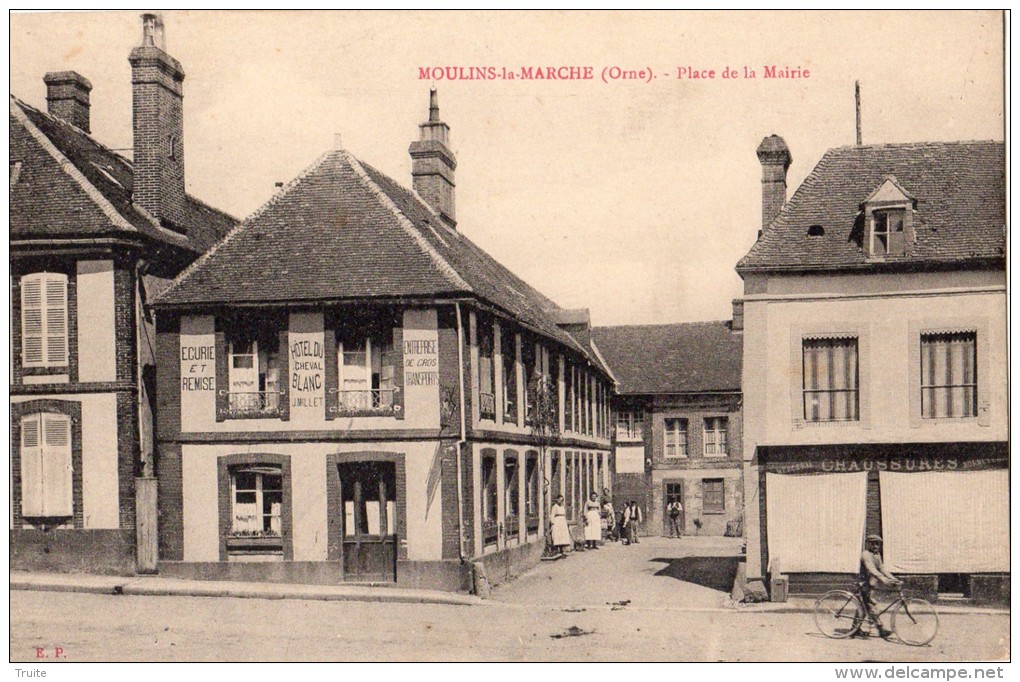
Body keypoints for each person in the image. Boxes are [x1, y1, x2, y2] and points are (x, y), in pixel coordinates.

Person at [856, 534, 902, 638]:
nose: (876, 546)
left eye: (877, 544)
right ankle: (881, 629)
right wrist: (883, 579)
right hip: (863, 584)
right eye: (873, 543)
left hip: (870, 584)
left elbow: (882, 568)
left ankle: (855, 628)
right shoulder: (865, 554)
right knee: (870, 605)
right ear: (869, 544)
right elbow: (871, 569)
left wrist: (893, 578)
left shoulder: (877, 555)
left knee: (863, 606)